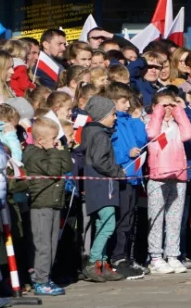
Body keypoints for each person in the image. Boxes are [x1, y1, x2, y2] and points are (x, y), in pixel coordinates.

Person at [145, 87, 191, 274]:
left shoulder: (176, 124)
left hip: (178, 176)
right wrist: (157, 111)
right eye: (163, 106)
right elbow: (151, 134)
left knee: (174, 218)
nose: (167, 109)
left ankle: (173, 255)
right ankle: (155, 257)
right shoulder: (151, 122)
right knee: (157, 219)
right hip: (158, 178)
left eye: (170, 105)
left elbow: (189, 135)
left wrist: (179, 110)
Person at [23, 117, 73, 296]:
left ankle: (46, 276)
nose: (56, 141)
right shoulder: (33, 154)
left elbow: (66, 167)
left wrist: (62, 149)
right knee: (43, 244)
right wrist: (54, 151)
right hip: (41, 204)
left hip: (54, 202)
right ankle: (40, 280)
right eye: (53, 139)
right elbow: (52, 170)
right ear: (41, 140)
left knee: (52, 244)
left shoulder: (50, 150)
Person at [80, 95, 126, 282]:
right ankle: (93, 262)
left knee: (102, 224)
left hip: (97, 184)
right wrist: (118, 172)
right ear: (102, 116)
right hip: (103, 183)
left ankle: (102, 262)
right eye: (113, 114)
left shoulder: (91, 132)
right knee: (108, 224)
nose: (115, 117)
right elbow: (100, 161)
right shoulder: (100, 135)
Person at [106, 83, 148, 279]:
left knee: (130, 218)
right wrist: (126, 154)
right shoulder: (113, 124)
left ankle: (126, 256)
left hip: (133, 177)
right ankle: (117, 256)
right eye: (124, 101)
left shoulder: (127, 120)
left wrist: (137, 120)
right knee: (121, 219)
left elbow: (141, 141)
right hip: (121, 175)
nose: (127, 104)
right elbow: (112, 150)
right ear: (114, 102)